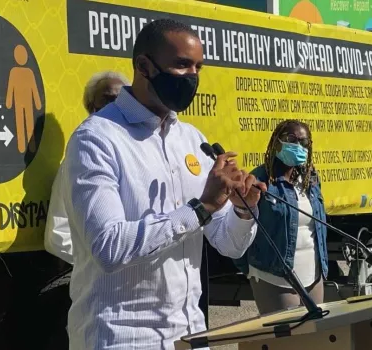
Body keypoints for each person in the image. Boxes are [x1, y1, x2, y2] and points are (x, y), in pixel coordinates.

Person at [62, 19, 266, 349]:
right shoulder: (97, 139)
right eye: (182, 65)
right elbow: (109, 247)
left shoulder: (191, 140)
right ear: (144, 66)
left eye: (198, 67)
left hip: (190, 333)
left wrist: (243, 213)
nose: (192, 77)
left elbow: (228, 245)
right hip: (121, 336)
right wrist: (200, 209)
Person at [233, 119, 328, 315]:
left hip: (314, 274)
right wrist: (249, 269)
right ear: (276, 142)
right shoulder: (259, 181)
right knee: (285, 340)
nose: (298, 145)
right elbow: (239, 228)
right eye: (291, 139)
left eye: (304, 142)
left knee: (315, 340)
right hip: (274, 277)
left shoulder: (310, 180)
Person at [44, 71, 129, 264]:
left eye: (120, 99)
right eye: (107, 99)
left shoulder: (144, 152)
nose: (115, 107)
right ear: (92, 107)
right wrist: (95, 265)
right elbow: (58, 236)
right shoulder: (80, 159)